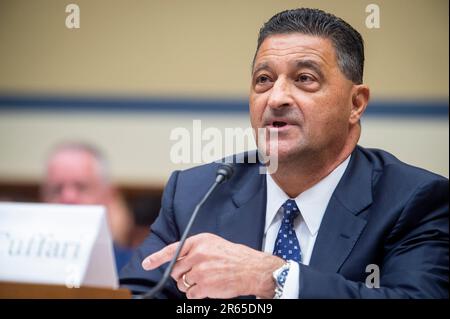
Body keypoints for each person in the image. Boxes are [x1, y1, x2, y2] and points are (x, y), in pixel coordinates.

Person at [119, 8, 449, 298]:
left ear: (356, 103)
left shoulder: (414, 200)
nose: (276, 98)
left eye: (304, 78)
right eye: (263, 79)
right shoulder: (197, 193)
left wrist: (275, 279)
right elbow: (139, 293)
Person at [41, 142, 136, 272]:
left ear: (109, 196)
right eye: (57, 190)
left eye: (81, 187)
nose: (68, 198)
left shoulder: (137, 270)